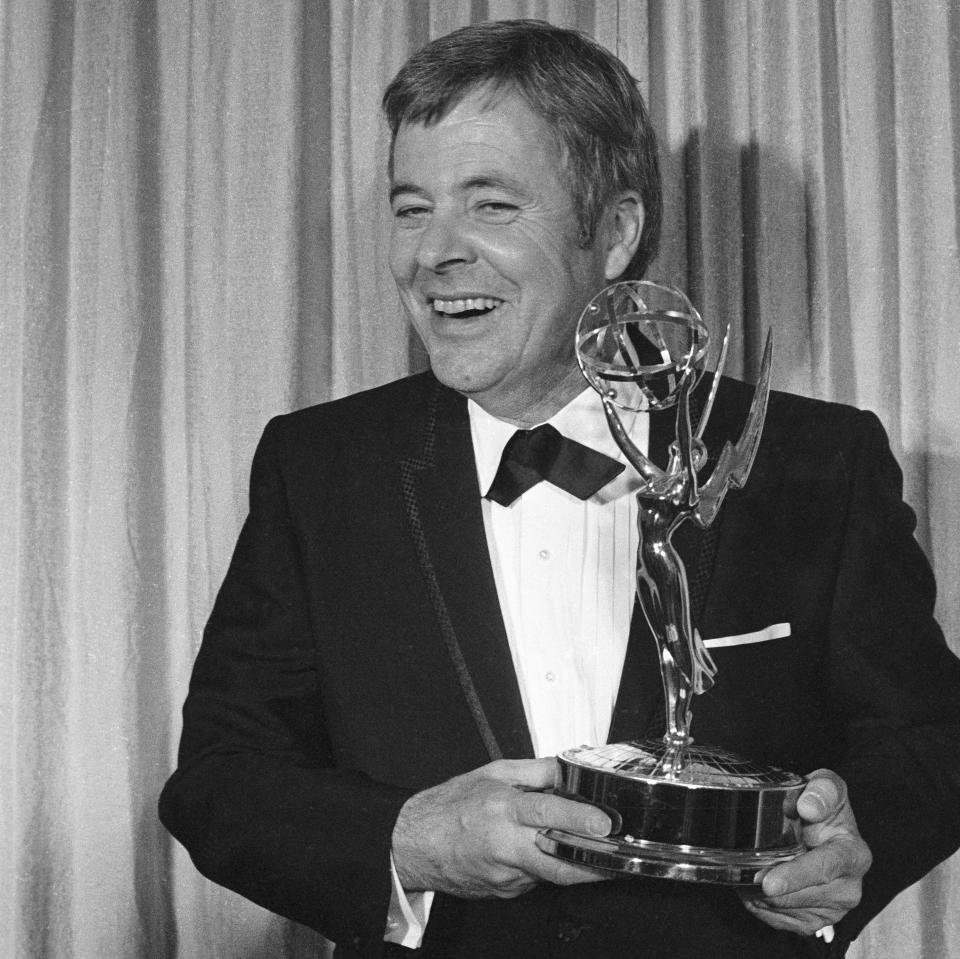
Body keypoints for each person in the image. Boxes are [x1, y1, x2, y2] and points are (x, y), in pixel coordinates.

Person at [159, 19, 960, 959]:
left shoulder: (811, 459)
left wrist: (845, 853)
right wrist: (410, 841)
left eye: (490, 205)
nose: (434, 253)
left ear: (614, 233)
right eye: (411, 208)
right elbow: (221, 777)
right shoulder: (319, 467)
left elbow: (930, 741)